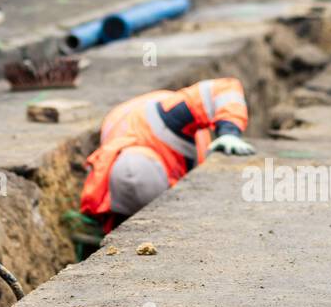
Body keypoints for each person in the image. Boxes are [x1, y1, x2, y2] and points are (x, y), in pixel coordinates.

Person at [80, 78, 254, 232]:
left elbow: (224, 88)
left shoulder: (169, 117)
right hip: (117, 120)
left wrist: (229, 131)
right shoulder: (105, 170)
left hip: (155, 112)